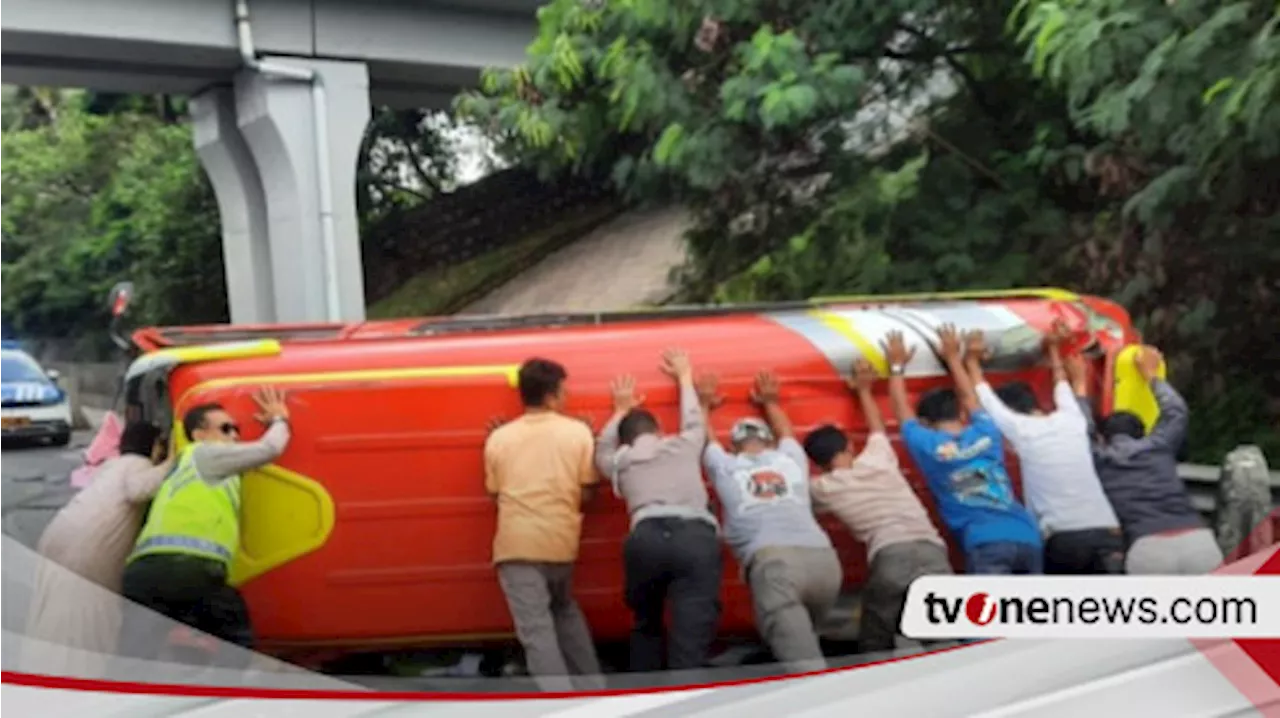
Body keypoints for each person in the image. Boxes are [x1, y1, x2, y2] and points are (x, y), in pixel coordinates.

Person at [117, 387, 291, 667]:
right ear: (199, 434)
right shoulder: (206, 454)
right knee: (236, 643)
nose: (234, 435)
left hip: (144, 574)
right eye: (225, 428)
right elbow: (270, 449)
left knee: (134, 659)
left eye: (236, 429)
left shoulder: (180, 468)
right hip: (187, 567)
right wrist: (280, 420)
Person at [802, 358, 953, 654]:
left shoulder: (823, 488)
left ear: (816, 464)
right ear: (849, 447)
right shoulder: (878, 459)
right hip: (931, 548)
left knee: (876, 638)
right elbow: (877, 428)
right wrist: (864, 391)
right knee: (942, 637)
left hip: (890, 556)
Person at [698, 370, 841, 673]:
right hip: (825, 562)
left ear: (735, 446)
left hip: (775, 565)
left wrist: (703, 404)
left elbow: (704, 436)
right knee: (802, 642)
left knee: (805, 665)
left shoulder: (725, 465)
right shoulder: (791, 458)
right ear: (768, 441)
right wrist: (770, 402)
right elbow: (786, 430)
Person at [595, 348, 722, 674]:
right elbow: (694, 418)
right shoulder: (682, 444)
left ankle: (647, 694)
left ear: (625, 439)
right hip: (695, 537)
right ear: (658, 430)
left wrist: (619, 410)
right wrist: (683, 376)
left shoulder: (620, 462)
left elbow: (601, 449)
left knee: (646, 624)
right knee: (690, 634)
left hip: (646, 539)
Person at [484, 357, 604, 691]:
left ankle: (560, 700)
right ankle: (596, 688)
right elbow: (587, 493)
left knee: (537, 630)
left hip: (517, 546)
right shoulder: (578, 432)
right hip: (562, 545)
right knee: (565, 611)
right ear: (551, 396)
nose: (565, 398)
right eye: (563, 392)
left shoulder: (499, 438)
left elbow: (494, 495)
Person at [966, 322, 1124, 574]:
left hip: (1064, 539)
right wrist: (1053, 349)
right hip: (1108, 532)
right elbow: (1061, 383)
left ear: (1013, 410)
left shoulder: (1020, 428)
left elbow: (985, 398)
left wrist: (971, 361)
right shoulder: (1072, 418)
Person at [885, 329, 1043, 575]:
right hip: (1028, 537)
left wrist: (896, 367)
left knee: (987, 613)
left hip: (984, 542)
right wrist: (952, 357)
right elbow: (971, 397)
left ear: (925, 422)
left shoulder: (925, 444)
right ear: (961, 414)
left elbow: (900, 409)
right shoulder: (986, 431)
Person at [24, 421, 172, 677]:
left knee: (54, 618)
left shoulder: (111, 465)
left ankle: (40, 672)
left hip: (61, 533)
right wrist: (173, 462)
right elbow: (139, 489)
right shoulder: (138, 465)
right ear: (154, 446)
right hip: (87, 546)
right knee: (85, 623)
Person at [1090, 346, 1223, 575]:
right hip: (1199, 543)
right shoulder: (1158, 447)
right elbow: (1176, 411)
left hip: (1148, 549)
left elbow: (1075, 428)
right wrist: (1152, 377)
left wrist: (1076, 388)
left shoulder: (1101, 459)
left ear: (1103, 438)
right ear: (1144, 433)